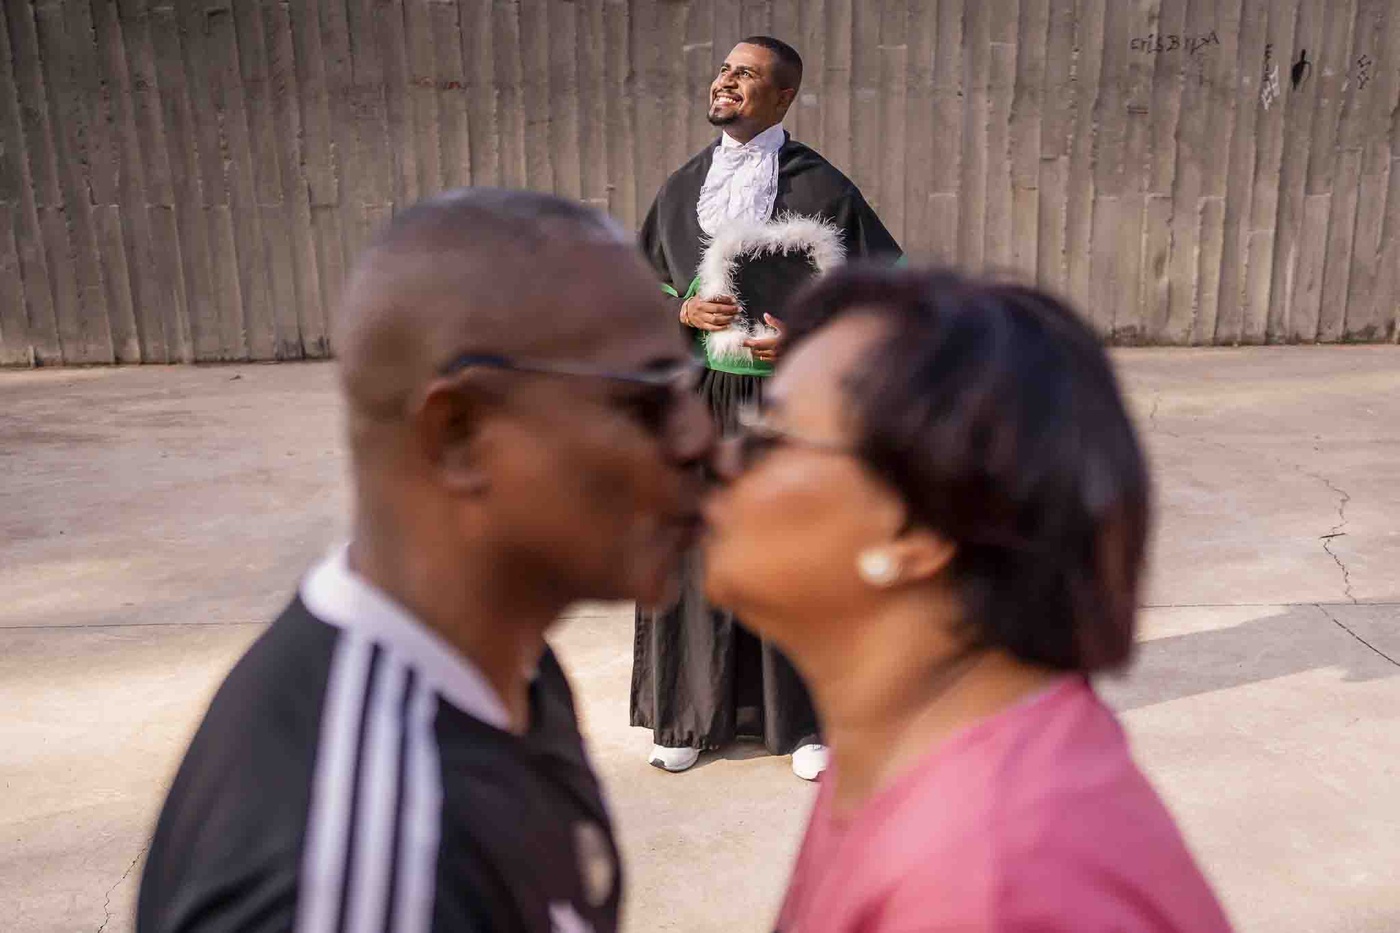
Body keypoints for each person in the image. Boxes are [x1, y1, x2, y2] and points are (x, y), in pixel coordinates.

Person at [136, 189, 714, 933]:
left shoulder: (508, 665)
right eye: (646, 400)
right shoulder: (368, 873)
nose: (699, 437)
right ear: (457, 434)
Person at [703, 267, 1235, 932]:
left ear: (917, 528)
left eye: (768, 437)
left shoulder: (994, 886)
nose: (717, 459)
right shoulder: (901, 743)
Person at [631, 35, 902, 780]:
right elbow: (640, 283)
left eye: (745, 74)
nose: (726, 81)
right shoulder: (683, 186)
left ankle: (805, 722)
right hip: (702, 397)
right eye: (725, 69)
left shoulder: (825, 187)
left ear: (783, 97)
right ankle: (687, 716)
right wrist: (683, 313)